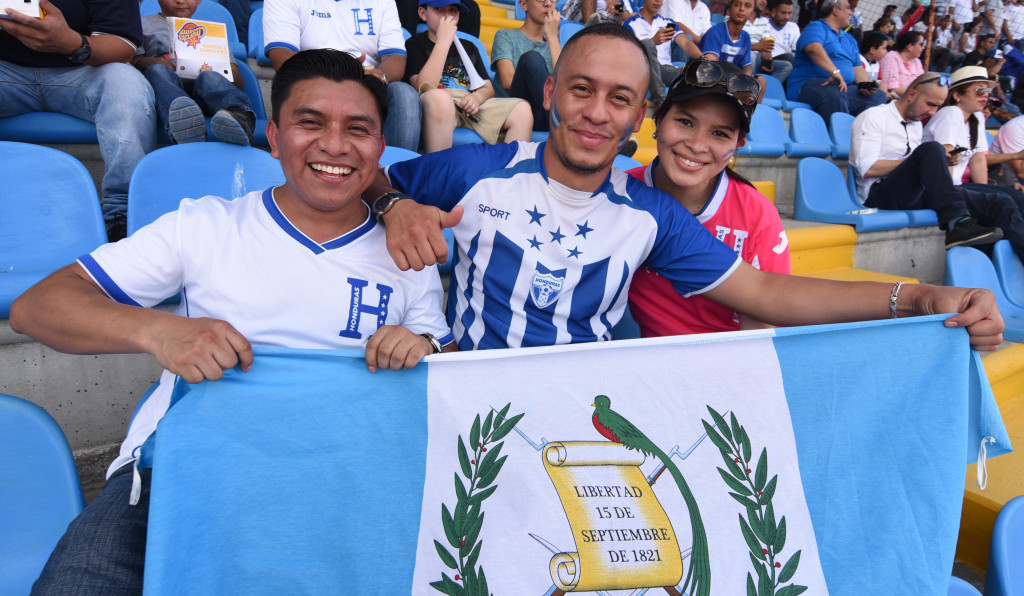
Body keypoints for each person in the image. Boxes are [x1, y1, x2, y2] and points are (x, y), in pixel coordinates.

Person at [11, 49, 455, 594]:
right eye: (309, 123)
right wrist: (158, 331)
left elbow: (445, 372)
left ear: (380, 148)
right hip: (184, 470)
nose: (335, 145)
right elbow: (39, 307)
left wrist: (422, 348)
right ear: (273, 137)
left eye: (357, 129)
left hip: (347, 475)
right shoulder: (205, 226)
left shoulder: (406, 252)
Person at [364, 25, 1004, 359]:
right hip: (465, 405)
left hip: (583, 411)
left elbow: (766, 292)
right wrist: (393, 204)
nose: (595, 113)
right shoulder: (476, 169)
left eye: (619, 98)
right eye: (581, 89)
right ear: (550, 94)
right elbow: (367, 178)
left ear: (639, 114)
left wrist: (916, 295)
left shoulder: (651, 214)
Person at [625, 60, 790, 337]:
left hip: (727, 368)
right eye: (685, 122)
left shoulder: (756, 214)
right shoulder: (621, 193)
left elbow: (759, 333)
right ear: (659, 119)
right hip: (643, 365)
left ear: (738, 145)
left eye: (719, 134)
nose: (697, 145)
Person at [0, 0, 155, 242]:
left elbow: (121, 45)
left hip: (83, 71)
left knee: (125, 83)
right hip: (5, 71)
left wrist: (71, 43)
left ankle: (123, 217)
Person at [850, 72, 1024, 259]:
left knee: (1000, 202)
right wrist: (922, 160)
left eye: (938, 107)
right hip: (878, 195)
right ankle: (957, 223)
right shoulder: (874, 117)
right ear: (911, 95)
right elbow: (868, 169)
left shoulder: (915, 123)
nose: (932, 113)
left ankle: (994, 267)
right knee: (932, 149)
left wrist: (938, 162)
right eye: (931, 105)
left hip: (917, 192)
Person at [263, 0, 422, 152]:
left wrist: (378, 76)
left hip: (368, 82)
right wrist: (345, 71)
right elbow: (282, 57)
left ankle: (395, 173)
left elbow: (396, 58)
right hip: (314, 80)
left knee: (404, 94)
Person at [406, 0, 533, 152]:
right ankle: (439, 171)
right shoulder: (414, 44)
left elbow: (487, 87)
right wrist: (443, 42)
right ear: (422, 13)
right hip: (438, 103)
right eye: (439, 9)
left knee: (522, 110)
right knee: (440, 98)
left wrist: (477, 98)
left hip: (468, 103)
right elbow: (423, 86)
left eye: (453, 10)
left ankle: (505, 171)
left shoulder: (469, 46)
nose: (447, 16)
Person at [133, 0, 256, 145]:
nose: (180, 1)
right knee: (157, 71)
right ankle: (184, 123)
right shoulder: (142, 25)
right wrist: (151, 62)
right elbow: (134, 62)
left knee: (209, 76)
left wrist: (215, 67)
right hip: (166, 97)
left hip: (206, 98)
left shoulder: (211, 33)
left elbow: (239, 82)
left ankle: (239, 117)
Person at [923, 66, 1024, 213]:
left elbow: (978, 160)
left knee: (1012, 198)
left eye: (988, 91)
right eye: (980, 91)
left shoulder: (976, 117)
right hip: (940, 188)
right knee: (1007, 201)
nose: (985, 96)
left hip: (958, 186)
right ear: (957, 94)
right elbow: (948, 160)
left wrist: (985, 192)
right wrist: (951, 203)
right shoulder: (951, 113)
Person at [786, 0, 885, 123]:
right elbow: (813, 48)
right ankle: (839, 136)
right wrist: (834, 71)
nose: (851, 13)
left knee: (878, 96)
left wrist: (864, 84)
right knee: (834, 92)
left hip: (841, 90)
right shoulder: (815, 27)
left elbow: (857, 68)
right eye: (848, 8)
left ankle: (859, 135)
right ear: (835, 10)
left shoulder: (849, 39)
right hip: (810, 87)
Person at [491, 0, 562, 131]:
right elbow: (507, 81)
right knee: (532, 59)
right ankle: (559, 128)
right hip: (514, 113)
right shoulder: (505, 36)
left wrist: (552, 37)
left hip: (544, 116)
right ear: (523, 4)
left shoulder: (556, 47)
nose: (548, 4)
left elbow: (563, 85)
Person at [624, 0, 700, 106]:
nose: (658, 1)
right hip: (643, 71)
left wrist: (702, 58)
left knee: (693, 71)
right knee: (647, 43)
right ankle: (661, 101)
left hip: (667, 71)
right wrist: (653, 41)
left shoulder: (667, 23)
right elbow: (628, 54)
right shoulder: (630, 24)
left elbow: (686, 43)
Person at [699, 0, 754, 72]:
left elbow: (747, 66)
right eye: (737, 5)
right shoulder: (715, 32)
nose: (742, 9)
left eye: (747, 6)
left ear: (751, 15)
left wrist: (747, 80)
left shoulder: (746, 37)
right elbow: (712, 63)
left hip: (732, 78)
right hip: (710, 75)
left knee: (761, 80)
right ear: (728, 11)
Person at [752, 0, 799, 83]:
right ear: (774, 11)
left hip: (782, 63)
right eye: (783, 13)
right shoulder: (764, 23)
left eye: (789, 13)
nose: (787, 17)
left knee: (791, 61)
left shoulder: (793, 27)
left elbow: (796, 52)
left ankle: (769, 89)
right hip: (763, 61)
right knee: (789, 58)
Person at [878, 31, 924, 98]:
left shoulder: (917, 61)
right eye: (921, 44)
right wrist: (919, 95)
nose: (923, 47)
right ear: (910, 46)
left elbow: (922, 84)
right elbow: (892, 88)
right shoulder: (892, 57)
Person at [859, 31, 891, 98]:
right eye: (884, 48)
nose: (886, 52)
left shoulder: (877, 64)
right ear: (872, 50)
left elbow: (880, 82)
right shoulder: (860, 61)